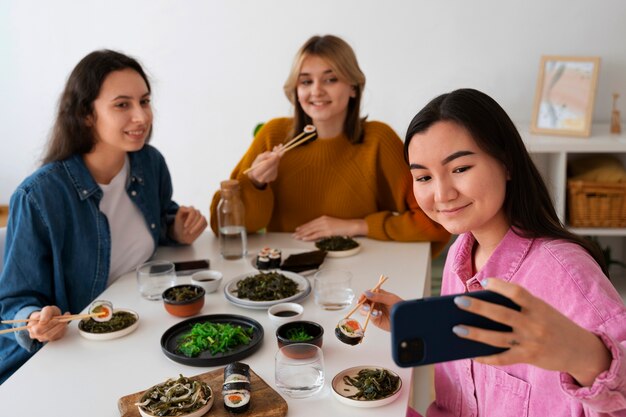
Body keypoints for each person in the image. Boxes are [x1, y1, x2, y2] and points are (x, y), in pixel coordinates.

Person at [363, 88, 626, 416]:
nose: (441, 194)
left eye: (460, 169)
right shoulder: (461, 252)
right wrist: (418, 324)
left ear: (507, 164)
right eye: (424, 177)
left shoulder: (563, 270)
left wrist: (583, 355)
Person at [0, 50, 207, 384]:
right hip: (69, 354)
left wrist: (176, 228)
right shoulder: (38, 196)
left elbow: (159, 215)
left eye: (145, 101)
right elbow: (13, 303)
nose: (141, 116)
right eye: (122, 104)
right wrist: (35, 319)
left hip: (139, 325)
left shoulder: (148, 163)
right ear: (86, 114)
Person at [209, 35, 449, 252]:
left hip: (362, 268)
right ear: (295, 90)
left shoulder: (378, 140)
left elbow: (434, 222)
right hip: (285, 275)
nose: (317, 91)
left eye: (330, 79)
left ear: (353, 87)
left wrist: (355, 226)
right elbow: (226, 229)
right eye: (305, 82)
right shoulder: (274, 136)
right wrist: (255, 183)